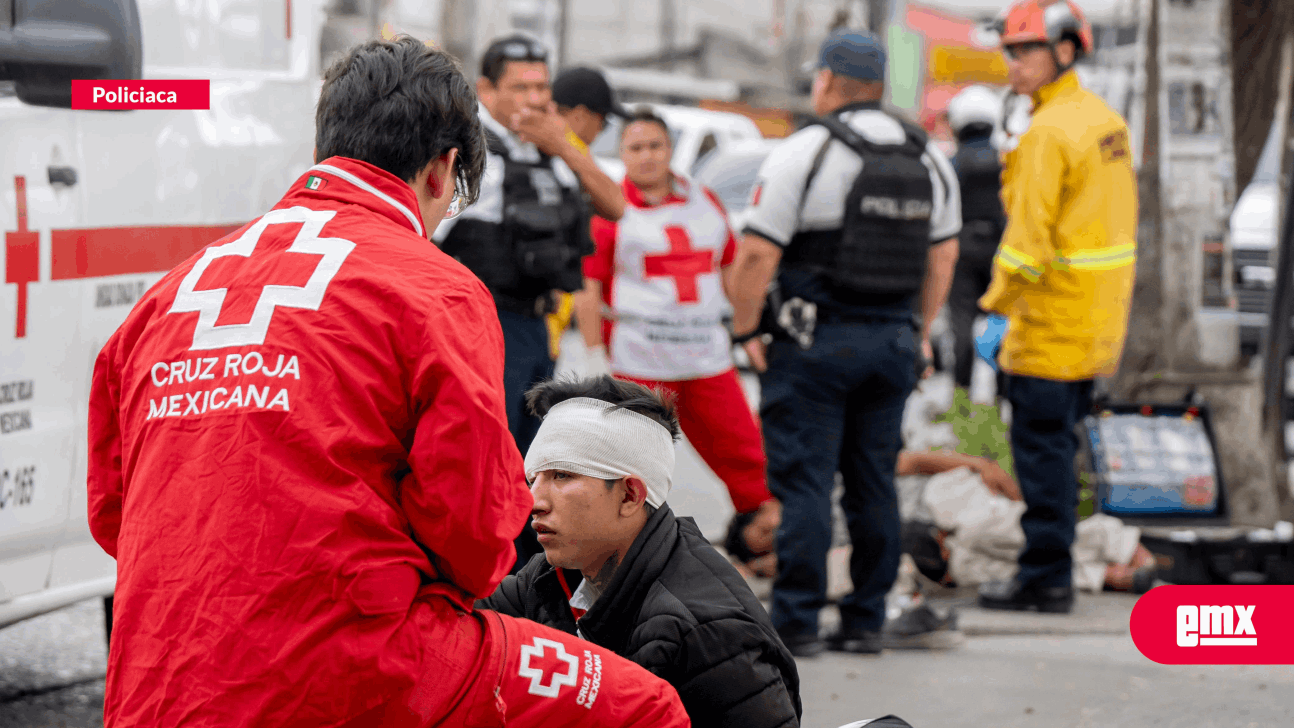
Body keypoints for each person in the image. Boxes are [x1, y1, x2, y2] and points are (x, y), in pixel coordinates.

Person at [87, 37, 689, 728]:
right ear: (444, 170)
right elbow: (477, 542)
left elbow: (113, 515)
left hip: (156, 676)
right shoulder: (436, 289)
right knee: (644, 706)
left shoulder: (167, 295)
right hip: (354, 668)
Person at [727, 29, 962, 656]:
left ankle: (799, 622)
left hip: (814, 345)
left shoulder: (805, 152)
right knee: (873, 481)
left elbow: (755, 255)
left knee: (806, 483)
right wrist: (916, 331)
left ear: (827, 81)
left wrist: (746, 329)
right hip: (892, 343)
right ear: (880, 87)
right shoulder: (928, 155)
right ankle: (864, 621)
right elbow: (944, 258)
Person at [480, 376, 801, 728]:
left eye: (561, 476)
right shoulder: (551, 577)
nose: (532, 501)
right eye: (533, 479)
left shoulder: (709, 633)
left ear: (630, 496)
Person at [434, 35, 626, 572]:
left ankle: (524, 591)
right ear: (487, 90)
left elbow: (615, 206)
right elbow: (419, 243)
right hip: (486, 328)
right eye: (521, 87)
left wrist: (562, 143)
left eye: (542, 86)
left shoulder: (551, 148)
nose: (534, 99)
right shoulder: (469, 158)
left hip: (538, 328)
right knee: (490, 468)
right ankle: (487, 585)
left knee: (534, 470)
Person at [974, 0, 1137, 613]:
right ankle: (1055, 569)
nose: (1014, 65)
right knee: (1059, 454)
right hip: (1094, 325)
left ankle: (1045, 579)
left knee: (1041, 460)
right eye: (1011, 53)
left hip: (1047, 324)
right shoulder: (1104, 121)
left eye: (1026, 51)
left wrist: (992, 309)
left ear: (1065, 51)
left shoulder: (1048, 132)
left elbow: (1026, 244)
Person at [573, 109, 780, 574]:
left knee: (749, 459)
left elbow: (729, 266)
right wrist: (591, 354)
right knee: (629, 471)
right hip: (639, 360)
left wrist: (750, 331)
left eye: (655, 146)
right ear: (622, 155)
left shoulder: (703, 201)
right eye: (635, 148)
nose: (647, 157)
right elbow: (588, 285)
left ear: (670, 150)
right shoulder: (611, 208)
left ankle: (765, 545)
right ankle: (618, 563)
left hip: (707, 358)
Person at [945, 84, 1007, 392]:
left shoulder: (953, 164)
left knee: (962, 325)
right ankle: (1003, 395)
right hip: (1001, 252)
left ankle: (960, 392)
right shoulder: (1006, 162)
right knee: (1003, 325)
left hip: (962, 251)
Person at [552, 66, 627, 152]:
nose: (599, 131)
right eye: (604, 123)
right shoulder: (555, 158)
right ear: (579, 116)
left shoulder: (543, 152)